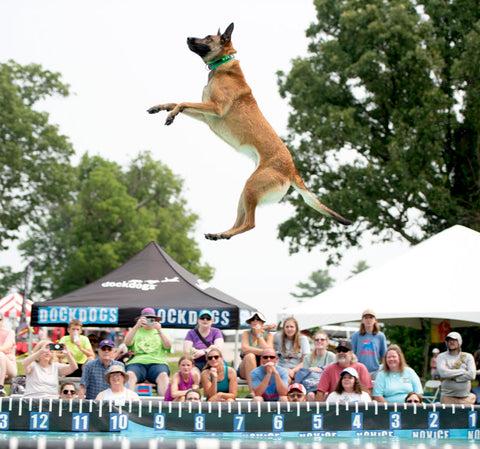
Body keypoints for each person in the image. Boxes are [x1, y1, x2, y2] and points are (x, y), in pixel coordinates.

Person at [125, 307, 172, 396]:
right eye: (146, 318)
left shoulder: (162, 331)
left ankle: (164, 405)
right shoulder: (136, 330)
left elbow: (168, 346)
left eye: (151, 319)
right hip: (137, 363)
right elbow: (127, 343)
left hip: (157, 363)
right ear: (140, 319)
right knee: (129, 375)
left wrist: (159, 330)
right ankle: (128, 404)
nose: (148, 321)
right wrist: (136, 327)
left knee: (163, 376)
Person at [238, 312, 275, 398]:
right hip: (246, 368)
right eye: (252, 319)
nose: (255, 321)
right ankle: (253, 391)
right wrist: (263, 352)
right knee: (250, 356)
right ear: (250, 322)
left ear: (262, 322)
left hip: (263, 366)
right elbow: (245, 349)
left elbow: (269, 351)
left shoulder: (268, 335)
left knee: (266, 359)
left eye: (258, 319)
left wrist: (259, 334)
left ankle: (264, 391)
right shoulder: (246, 333)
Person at [436, 331, 476, 404]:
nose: (451, 342)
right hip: (447, 397)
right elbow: (443, 373)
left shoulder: (468, 356)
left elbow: (472, 375)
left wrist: (453, 377)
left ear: (459, 341)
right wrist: (463, 371)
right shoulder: (441, 356)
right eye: (449, 340)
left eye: (454, 340)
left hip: (465, 397)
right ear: (446, 342)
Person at [299, 331, 336, 400]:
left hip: (327, 385)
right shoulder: (308, 357)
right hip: (312, 386)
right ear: (314, 342)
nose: (319, 341)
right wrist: (310, 369)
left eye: (322, 340)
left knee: (325, 394)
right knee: (310, 395)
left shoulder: (332, 357)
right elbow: (303, 374)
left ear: (327, 343)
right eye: (317, 340)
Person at [351, 309, 387, 380]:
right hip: (359, 371)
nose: (368, 320)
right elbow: (351, 353)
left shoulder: (380, 336)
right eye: (366, 318)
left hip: (375, 371)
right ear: (362, 320)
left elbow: (384, 355)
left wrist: (384, 369)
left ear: (375, 320)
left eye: (371, 318)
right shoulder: (356, 335)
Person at [273, 317, 310, 382]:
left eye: (292, 327)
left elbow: (305, 361)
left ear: (296, 328)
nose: (289, 329)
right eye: (287, 327)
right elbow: (265, 336)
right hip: (282, 367)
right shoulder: (279, 337)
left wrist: (293, 370)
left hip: (297, 368)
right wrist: (267, 328)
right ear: (284, 328)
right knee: (285, 377)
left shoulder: (303, 339)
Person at [0, 312, 18, 396]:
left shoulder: (10, 332)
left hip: (10, 367)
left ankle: (0, 387)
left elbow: (5, 348)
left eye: (0, 319)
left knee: (1, 355)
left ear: (2, 321)